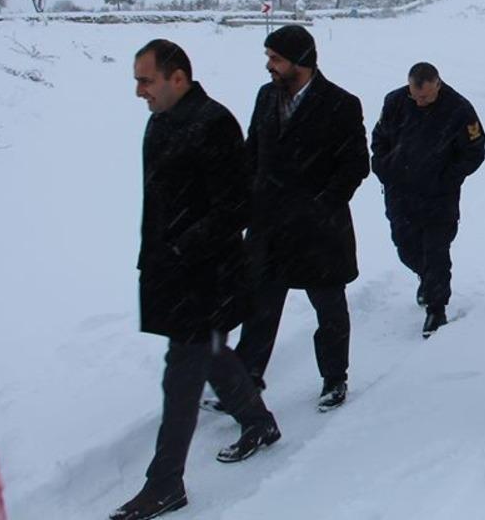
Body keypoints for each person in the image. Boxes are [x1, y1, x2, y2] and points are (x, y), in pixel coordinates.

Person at [113, 40, 280, 520]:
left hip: (208, 276)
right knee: (210, 354)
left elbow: (237, 205)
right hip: (170, 272)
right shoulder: (160, 122)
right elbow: (160, 202)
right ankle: (258, 421)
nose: (139, 92)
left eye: (146, 80)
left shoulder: (213, 124)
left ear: (177, 77)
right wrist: (154, 257)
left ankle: (165, 484)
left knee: (181, 376)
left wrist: (186, 247)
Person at [235, 25, 370, 412]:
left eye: (275, 59)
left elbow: (355, 165)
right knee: (259, 306)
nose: (269, 66)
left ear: (301, 62)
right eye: (268, 58)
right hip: (269, 225)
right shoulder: (266, 97)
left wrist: (322, 205)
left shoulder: (341, 104)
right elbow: (252, 153)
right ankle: (245, 379)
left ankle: (334, 378)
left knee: (328, 307)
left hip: (319, 228)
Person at [371, 62, 485, 337]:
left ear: (438, 84)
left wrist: (448, 177)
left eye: (425, 96)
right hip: (400, 191)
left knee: (436, 250)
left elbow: (475, 152)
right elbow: (379, 138)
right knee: (406, 247)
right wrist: (383, 166)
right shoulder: (396, 101)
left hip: (438, 196)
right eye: (415, 95)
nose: (419, 101)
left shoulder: (459, 109)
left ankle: (437, 308)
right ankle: (426, 277)